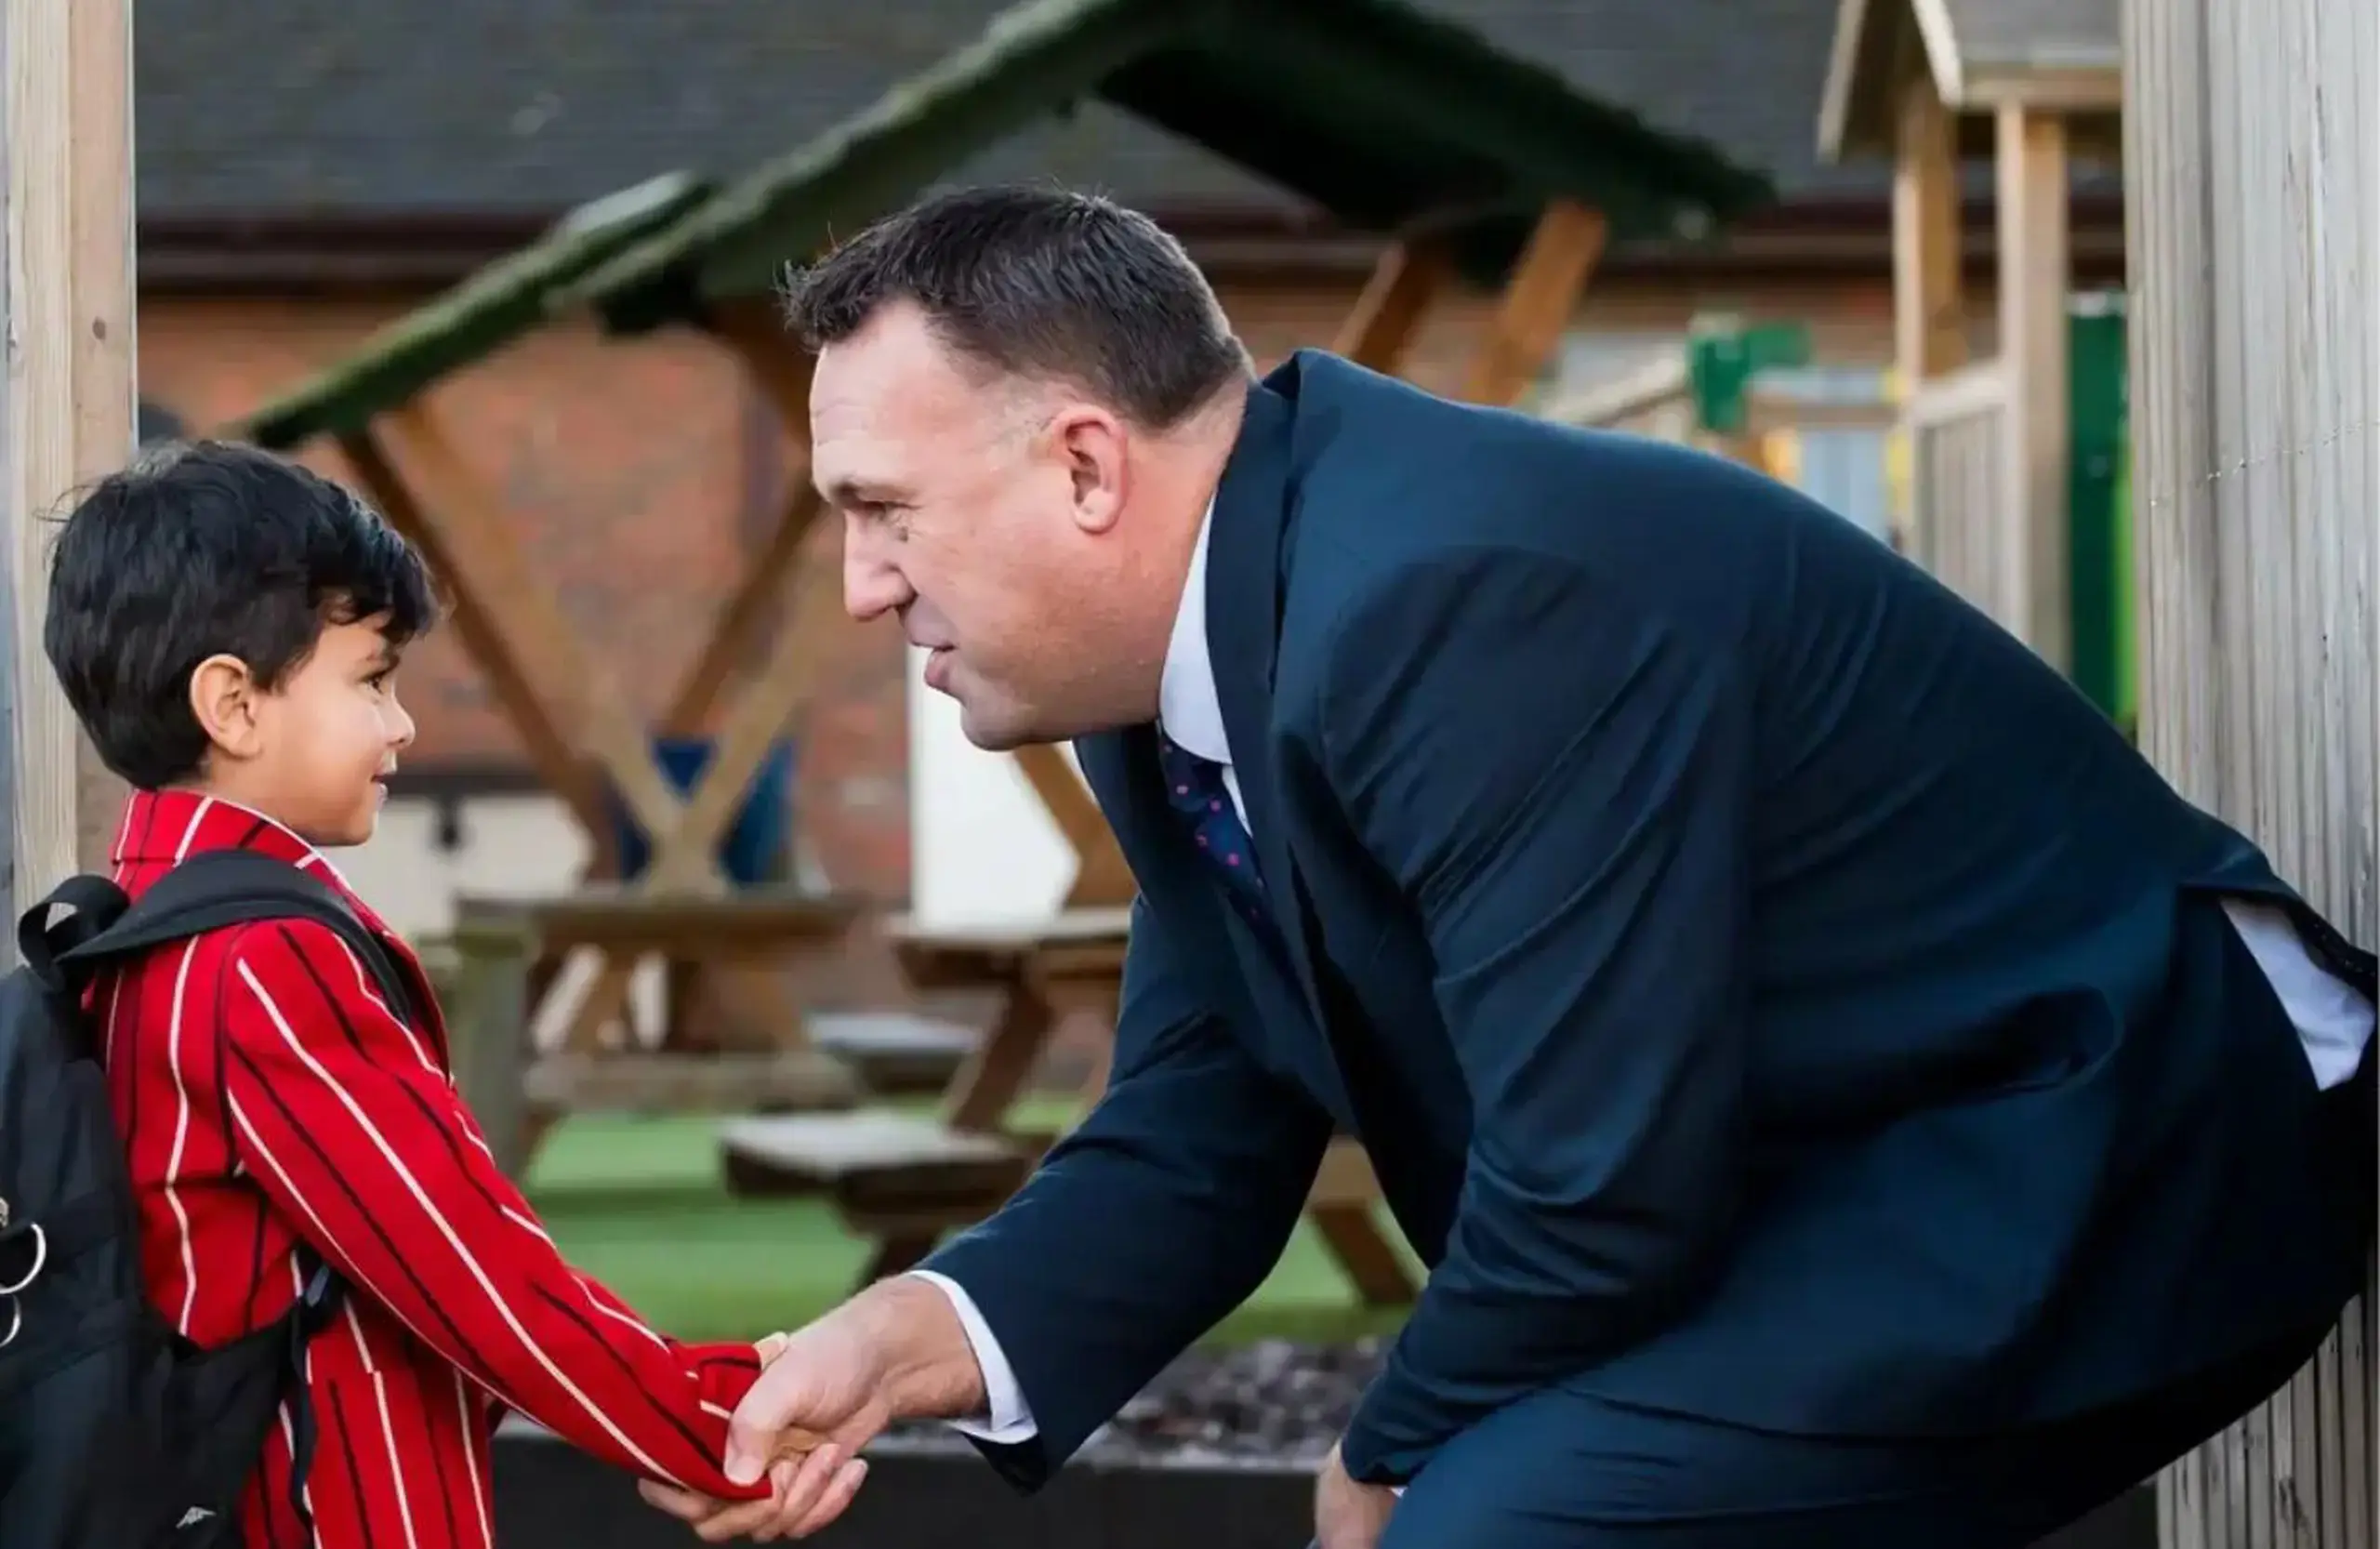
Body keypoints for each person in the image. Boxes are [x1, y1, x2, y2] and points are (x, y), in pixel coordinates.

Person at [643, 187, 2377, 1548]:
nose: (865, 586)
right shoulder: (1186, 665)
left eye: (882, 508)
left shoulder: (1449, 602)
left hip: (2122, 1121)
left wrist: (1390, 1451)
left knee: (1502, 1521)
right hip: (1838, 1172)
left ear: (1086, 464)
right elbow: (1200, 1133)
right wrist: (911, 1341)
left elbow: (1596, 1177)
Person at [43, 443, 854, 1549]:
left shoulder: (135, 935)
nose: (403, 725)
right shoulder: (264, 961)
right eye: (371, 677)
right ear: (232, 704)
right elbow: (467, 1265)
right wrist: (720, 1419)